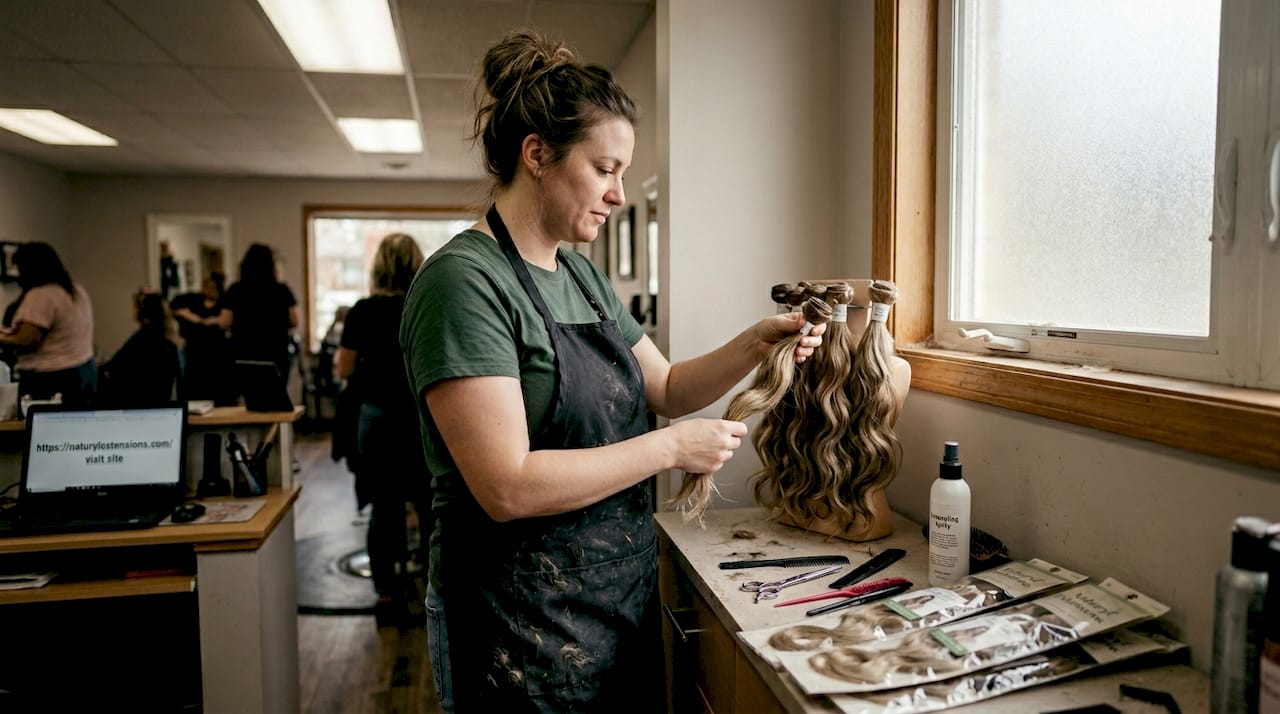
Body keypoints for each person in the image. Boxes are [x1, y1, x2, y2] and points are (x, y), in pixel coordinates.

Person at [399, 29, 825, 712]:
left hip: (613, 600)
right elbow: (505, 486)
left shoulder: (583, 277)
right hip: (515, 621)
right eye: (605, 169)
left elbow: (668, 386)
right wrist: (670, 448)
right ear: (537, 155)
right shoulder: (462, 285)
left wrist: (757, 344)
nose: (620, 195)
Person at [335, 234, 431, 627]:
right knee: (430, 509)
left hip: (376, 419)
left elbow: (343, 369)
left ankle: (387, 595)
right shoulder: (427, 303)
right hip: (423, 417)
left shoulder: (362, 311)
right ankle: (432, 592)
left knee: (384, 510)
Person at [0, 242, 97, 406]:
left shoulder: (41, 295)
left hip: (51, 378)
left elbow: (29, 339)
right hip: (84, 371)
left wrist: (3, 338)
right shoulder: (75, 290)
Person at [219, 244, 298, 402]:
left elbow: (224, 322)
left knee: (250, 398)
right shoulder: (281, 289)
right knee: (276, 399)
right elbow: (294, 320)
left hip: (244, 352)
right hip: (276, 352)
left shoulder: (236, 289)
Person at [97, 289, 182, 408]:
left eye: (133, 306)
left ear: (140, 310)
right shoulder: (167, 339)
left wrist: (104, 367)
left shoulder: (142, 338)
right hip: (159, 405)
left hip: (137, 405)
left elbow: (116, 371)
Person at [171, 272, 234, 404]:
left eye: (212, 286)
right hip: (194, 354)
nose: (209, 289)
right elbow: (174, 308)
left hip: (217, 356)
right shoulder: (192, 299)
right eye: (206, 285)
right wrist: (197, 319)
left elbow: (227, 322)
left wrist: (209, 321)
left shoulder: (225, 303)